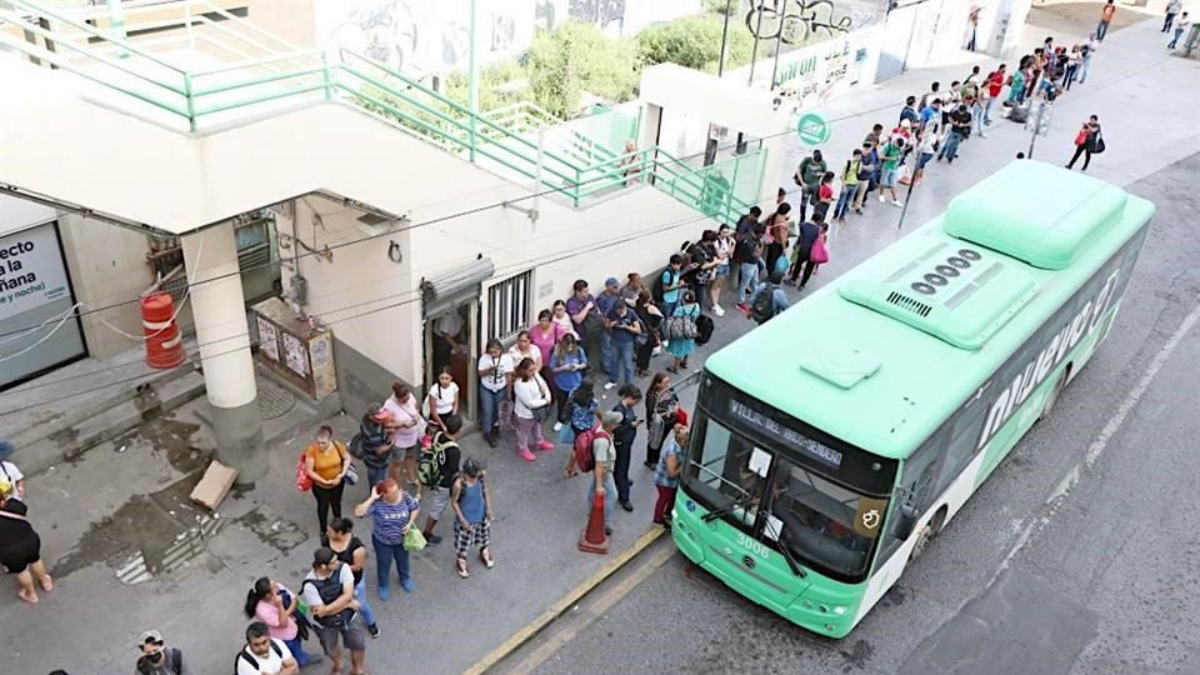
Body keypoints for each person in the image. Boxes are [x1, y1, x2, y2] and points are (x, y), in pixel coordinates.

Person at [300, 548, 366, 675]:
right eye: (334, 562)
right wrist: (348, 604)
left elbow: (348, 595)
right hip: (326, 624)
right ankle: (338, 664)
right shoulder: (309, 585)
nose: (338, 563)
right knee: (330, 648)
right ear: (323, 566)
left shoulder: (343, 568)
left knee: (358, 644)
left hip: (349, 617)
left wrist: (326, 608)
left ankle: (357, 669)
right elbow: (320, 614)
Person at [354, 478, 419, 599]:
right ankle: (383, 584)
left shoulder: (404, 496)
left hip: (402, 539)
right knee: (384, 563)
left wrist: (410, 523)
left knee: (403, 560)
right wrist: (372, 497)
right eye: (393, 492)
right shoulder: (377, 504)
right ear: (384, 494)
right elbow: (358, 513)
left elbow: (415, 507)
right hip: (382, 541)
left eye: (397, 490)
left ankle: (405, 578)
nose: (397, 493)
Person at [563, 410, 621, 536]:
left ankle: (591, 509)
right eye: (616, 423)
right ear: (611, 425)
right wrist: (600, 485)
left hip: (600, 469)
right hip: (604, 471)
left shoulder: (601, 428)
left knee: (593, 488)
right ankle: (605, 522)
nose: (618, 425)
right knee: (612, 495)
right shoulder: (602, 442)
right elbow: (600, 464)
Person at [325, 518, 379, 639]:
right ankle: (347, 621)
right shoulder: (327, 540)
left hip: (354, 581)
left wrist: (338, 567)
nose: (327, 533)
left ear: (339, 533)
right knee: (341, 603)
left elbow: (357, 567)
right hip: (336, 581)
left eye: (330, 531)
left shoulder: (356, 547)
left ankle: (371, 623)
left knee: (361, 604)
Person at [245, 576, 319, 662]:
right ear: (268, 595)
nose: (278, 586)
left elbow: (295, 601)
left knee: (298, 642)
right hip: (285, 635)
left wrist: (285, 614)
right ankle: (301, 660)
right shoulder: (262, 610)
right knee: (294, 649)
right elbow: (283, 624)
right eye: (274, 588)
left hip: (294, 624)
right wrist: (280, 605)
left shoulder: (277, 587)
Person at [0, 479, 51, 605]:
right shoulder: (12, 504)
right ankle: (45, 581)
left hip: (9, 552)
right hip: (30, 541)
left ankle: (31, 594)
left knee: (22, 572)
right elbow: (23, 509)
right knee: (36, 560)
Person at [418, 414, 462, 541]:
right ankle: (426, 534)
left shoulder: (438, 435)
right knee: (437, 508)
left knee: (439, 504)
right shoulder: (454, 451)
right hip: (445, 483)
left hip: (436, 474)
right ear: (458, 430)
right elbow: (453, 472)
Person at [450, 458, 494, 578]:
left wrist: (488, 509)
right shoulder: (460, 485)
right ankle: (461, 560)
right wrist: (462, 520)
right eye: (480, 470)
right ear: (473, 472)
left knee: (484, 535)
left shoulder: (481, 477)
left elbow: (485, 490)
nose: (483, 471)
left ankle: (484, 550)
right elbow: (454, 502)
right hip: (467, 519)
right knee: (463, 543)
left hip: (481, 514)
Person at [304, 425, 350, 534]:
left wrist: (341, 474)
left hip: (338, 483)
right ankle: (323, 529)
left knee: (336, 504)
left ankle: (339, 526)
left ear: (330, 440)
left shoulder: (337, 445)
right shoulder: (312, 450)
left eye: (323, 443)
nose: (320, 445)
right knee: (323, 507)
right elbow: (309, 471)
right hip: (320, 486)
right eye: (318, 442)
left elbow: (347, 458)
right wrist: (324, 481)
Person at [512, 357, 554, 461]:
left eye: (534, 369)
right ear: (523, 370)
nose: (533, 372)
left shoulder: (535, 375)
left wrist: (548, 396)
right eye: (530, 370)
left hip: (537, 411)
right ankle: (523, 449)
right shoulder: (519, 384)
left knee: (537, 426)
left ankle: (539, 442)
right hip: (525, 413)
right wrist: (545, 401)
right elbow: (529, 403)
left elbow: (543, 384)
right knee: (523, 432)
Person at [382, 381, 421, 486]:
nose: (407, 400)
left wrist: (417, 414)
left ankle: (410, 477)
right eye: (404, 400)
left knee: (410, 458)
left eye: (408, 398)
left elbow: (416, 406)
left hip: (412, 437)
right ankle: (396, 484)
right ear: (398, 398)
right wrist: (402, 424)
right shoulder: (389, 405)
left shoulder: (410, 397)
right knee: (398, 462)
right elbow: (386, 424)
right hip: (399, 441)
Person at [611, 384, 642, 512]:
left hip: (627, 443)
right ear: (629, 398)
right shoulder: (619, 411)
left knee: (620, 466)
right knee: (622, 468)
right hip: (621, 444)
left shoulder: (627, 408)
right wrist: (631, 425)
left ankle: (618, 481)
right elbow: (615, 429)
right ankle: (624, 497)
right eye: (635, 401)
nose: (635, 404)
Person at [477, 339, 514, 448]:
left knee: (498, 410)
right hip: (486, 387)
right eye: (491, 352)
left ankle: (495, 427)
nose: (493, 354)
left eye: (496, 352)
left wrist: (509, 392)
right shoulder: (484, 358)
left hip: (500, 387)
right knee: (487, 410)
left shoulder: (507, 358)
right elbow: (480, 373)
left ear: (501, 350)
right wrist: (490, 370)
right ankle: (487, 432)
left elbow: (508, 376)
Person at [548, 334, 587, 432]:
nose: (570, 348)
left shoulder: (579, 351)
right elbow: (552, 368)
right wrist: (563, 368)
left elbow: (584, 364)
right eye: (567, 346)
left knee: (574, 403)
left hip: (575, 382)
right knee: (562, 403)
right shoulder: (557, 352)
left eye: (571, 346)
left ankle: (573, 419)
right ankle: (560, 420)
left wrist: (577, 367)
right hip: (561, 383)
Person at [653, 423, 688, 528]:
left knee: (672, 497)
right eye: (687, 442)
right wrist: (683, 467)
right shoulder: (672, 452)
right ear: (682, 441)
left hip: (672, 482)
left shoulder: (678, 444)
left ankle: (668, 514)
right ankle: (657, 520)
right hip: (665, 481)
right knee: (664, 498)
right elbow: (671, 473)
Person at [566, 280, 605, 375]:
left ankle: (591, 369)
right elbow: (578, 320)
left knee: (594, 352)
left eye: (587, 290)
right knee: (582, 355)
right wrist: (587, 308)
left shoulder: (590, 297)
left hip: (594, 331)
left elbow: (597, 311)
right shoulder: (572, 303)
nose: (587, 293)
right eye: (584, 291)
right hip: (581, 335)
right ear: (577, 292)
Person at [643, 372, 679, 469]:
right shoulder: (652, 396)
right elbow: (652, 414)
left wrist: (674, 407)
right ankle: (651, 460)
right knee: (654, 441)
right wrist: (669, 411)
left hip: (668, 422)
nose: (668, 384)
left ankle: (655, 459)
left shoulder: (670, 390)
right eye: (665, 383)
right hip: (657, 424)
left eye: (669, 382)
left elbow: (676, 400)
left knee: (661, 441)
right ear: (657, 384)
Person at [595, 277, 624, 384]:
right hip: (606, 326)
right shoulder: (601, 299)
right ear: (607, 287)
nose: (617, 289)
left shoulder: (616, 295)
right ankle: (608, 368)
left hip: (616, 324)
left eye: (617, 286)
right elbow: (601, 315)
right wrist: (608, 325)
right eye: (615, 287)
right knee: (606, 347)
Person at [357, 405, 393, 489]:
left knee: (374, 479)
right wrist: (391, 443)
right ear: (371, 416)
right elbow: (379, 451)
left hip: (369, 458)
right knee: (379, 485)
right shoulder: (373, 433)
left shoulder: (365, 419)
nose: (382, 420)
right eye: (379, 418)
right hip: (378, 462)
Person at [605, 300, 640, 387]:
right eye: (616, 311)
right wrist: (610, 325)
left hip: (627, 343)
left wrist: (626, 327)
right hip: (614, 341)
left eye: (619, 311)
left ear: (623, 308)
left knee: (628, 364)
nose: (617, 313)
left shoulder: (631, 313)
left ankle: (629, 385)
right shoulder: (612, 312)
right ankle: (613, 380)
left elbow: (638, 330)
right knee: (614, 362)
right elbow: (606, 324)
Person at [665, 290, 700, 374]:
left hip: (680, 331)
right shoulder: (696, 306)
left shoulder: (680, 309)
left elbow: (674, 318)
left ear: (684, 300)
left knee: (679, 349)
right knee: (688, 345)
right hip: (690, 329)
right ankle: (685, 362)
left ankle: (676, 368)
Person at [530, 309, 566, 388]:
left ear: (550, 321)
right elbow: (530, 344)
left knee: (551, 383)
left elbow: (563, 343)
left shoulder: (557, 329)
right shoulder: (533, 330)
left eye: (546, 321)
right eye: (542, 320)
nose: (544, 323)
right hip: (537, 362)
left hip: (551, 362)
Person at [633, 290, 664, 377]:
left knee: (640, 351)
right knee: (647, 353)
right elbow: (661, 318)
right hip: (649, 334)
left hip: (640, 332)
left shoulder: (637, 304)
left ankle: (638, 367)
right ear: (649, 298)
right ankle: (643, 371)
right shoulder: (650, 308)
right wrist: (655, 327)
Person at [787, 213, 823, 290]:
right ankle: (802, 285)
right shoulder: (818, 229)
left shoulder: (802, 225)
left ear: (812, 216)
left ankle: (793, 280)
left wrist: (796, 244)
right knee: (809, 268)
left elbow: (801, 237)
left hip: (803, 249)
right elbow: (818, 240)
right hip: (812, 251)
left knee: (798, 264)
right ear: (819, 220)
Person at [733, 229, 763, 313]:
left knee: (754, 282)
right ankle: (740, 302)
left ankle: (754, 299)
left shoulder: (750, 240)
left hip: (751, 264)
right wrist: (761, 247)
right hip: (748, 264)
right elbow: (756, 255)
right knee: (744, 284)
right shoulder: (751, 244)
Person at [794, 149, 826, 222]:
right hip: (806, 185)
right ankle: (802, 218)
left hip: (816, 186)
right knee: (803, 203)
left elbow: (825, 173)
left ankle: (814, 219)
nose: (816, 163)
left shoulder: (823, 163)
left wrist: (821, 174)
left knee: (815, 203)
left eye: (818, 162)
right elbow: (798, 170)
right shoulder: (807, 160)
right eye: (815, 162)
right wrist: (802, 183)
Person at [658, 254, 686, 336]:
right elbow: (665, 288)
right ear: (673, 264)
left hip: (676, 297)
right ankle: (666, 335)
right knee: (667, 318)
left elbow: (676, 281)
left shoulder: (677, 271)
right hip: (667, 300)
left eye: (680, 265)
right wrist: (678, 286)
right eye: (677, 265)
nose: (679, 266)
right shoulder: (667, 274)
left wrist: (679, 283)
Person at [709, 224, 734, 316]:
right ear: (719, 231)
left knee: (720, 285)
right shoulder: (716, 241)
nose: (725, 234)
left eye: (727, 232)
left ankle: (716, 303)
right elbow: (720, 256)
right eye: (723, 232)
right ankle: (714, 304)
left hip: (726, 264)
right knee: (714, 285)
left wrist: (732, 244)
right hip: (719, 265)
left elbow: (731, 255)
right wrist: (728, 252)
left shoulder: (728, 240)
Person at [832, 150, 861, 225]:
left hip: (854, 184)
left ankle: (842, 216)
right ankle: (836, 214)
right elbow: (842, 176)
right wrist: (844, 185)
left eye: (859, 157)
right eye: (857, 156)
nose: (858, 158)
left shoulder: (860, 164)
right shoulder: (847, 164)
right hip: (847, 184)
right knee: (840, 201)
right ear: (854, 156)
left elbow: (858, 174)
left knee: (847, 202)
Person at [764, 202, 792, 276]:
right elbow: (782, 236)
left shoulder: (774, 215)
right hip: (777, 243)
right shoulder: (782, 221)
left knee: (770, 257)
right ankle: (771, 274)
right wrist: (784, 248)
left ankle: (769, 270)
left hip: (771, 240)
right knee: (774, 259)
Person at [432, 308, 464, 373]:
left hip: (452, 336)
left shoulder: (460, 314)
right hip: (442, 339)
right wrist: (456, 346)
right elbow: (445, 333)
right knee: (444, 362)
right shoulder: (448, 315)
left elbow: (461, 326)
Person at [877, 137, 905, 207]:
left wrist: (898, 158)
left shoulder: (899, 148)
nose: (898, 147)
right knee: (883, 182)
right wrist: (890, 158)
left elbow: (899, 155)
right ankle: (881, 195)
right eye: (898, 145)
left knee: (893, 184)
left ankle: (895, 199)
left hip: (894, 168)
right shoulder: (888, 146)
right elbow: (881, 156)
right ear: (896, 142)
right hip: (887, 166)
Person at [854, 141, 877, 213]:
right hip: (856, 178)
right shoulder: (859, 155)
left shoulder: (871, 156)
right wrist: (865, 167)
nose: (866, 149)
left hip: (865, 179)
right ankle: (849, 205)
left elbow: (871, 167)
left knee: (861, 194)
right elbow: (857, 165)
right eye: (865, 148)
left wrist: (863, 167)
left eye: (868, 148)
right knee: (852, 193)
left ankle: (857, 207)